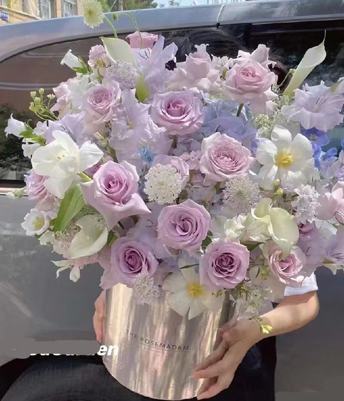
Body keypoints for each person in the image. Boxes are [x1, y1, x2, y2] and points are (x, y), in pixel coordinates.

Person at [93, 28, 320, 401]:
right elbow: (130, 244)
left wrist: (255, 329)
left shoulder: (267, 182)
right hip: (143, 354)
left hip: (226, 360)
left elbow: (305, 300)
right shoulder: (146, 164)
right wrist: (109, 291)